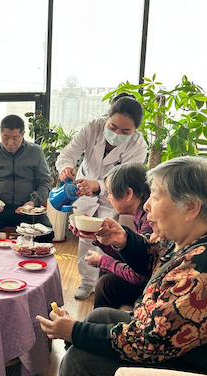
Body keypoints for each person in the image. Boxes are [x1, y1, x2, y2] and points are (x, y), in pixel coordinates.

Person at [36, 156, 207, 376]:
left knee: (82, 361)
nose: (147, 205)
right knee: (99, 316)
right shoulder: (204, 235)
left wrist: (72, 331)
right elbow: (156, 254)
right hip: (195, 351)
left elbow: (146, 343)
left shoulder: (206, 272)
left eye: (156, 196)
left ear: (191, 207)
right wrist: (123, 240)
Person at [56, 93, 148, 299]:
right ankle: (87, 282)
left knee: (107, 237)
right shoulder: (92, 128)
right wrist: (66, 167)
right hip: (83, 193)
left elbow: (125, 180)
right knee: (85, 239)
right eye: (113, 127)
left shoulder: (138, 145)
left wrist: (97, 185)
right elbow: (68, 153)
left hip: (112, 196)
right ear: (107, 118)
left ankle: (105, 282)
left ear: (135, 130)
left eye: (125, 131)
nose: (117, 133)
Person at [79, 162, 153, 309]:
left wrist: (102, 261)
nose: (108, 198)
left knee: (106, 284)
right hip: (148, 277)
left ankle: (98, 328)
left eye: (110, 193)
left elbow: (139, 274)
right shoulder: (140, 216)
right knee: (106, 274)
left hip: (151, 285)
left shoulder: (149, 220)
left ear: (128, 194)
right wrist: (96, 237)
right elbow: (133, 258)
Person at [0, 114, 54, 242]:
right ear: (0, 134)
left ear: (23, 134)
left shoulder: (35, 151)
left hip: (28, 209)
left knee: (46, 231)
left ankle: (39, 262)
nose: (10, 143)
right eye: (6, 138)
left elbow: (45, 182)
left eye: (15, 138)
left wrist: (33, 202)